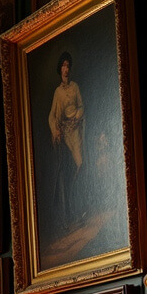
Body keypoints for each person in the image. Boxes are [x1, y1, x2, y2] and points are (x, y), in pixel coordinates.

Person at [48, 50, 86, 228]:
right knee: (67, 170)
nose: (66, 69)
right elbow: (53, 116)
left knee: (80, 163)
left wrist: (76, 118)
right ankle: (69, 209)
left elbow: (81, 106)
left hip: (75, 130)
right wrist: (56, 131)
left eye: (68, 66)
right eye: (63, 66)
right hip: (65, 133)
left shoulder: (75, 86)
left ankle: (74, 196)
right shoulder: (57, 92)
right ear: (60, 69)